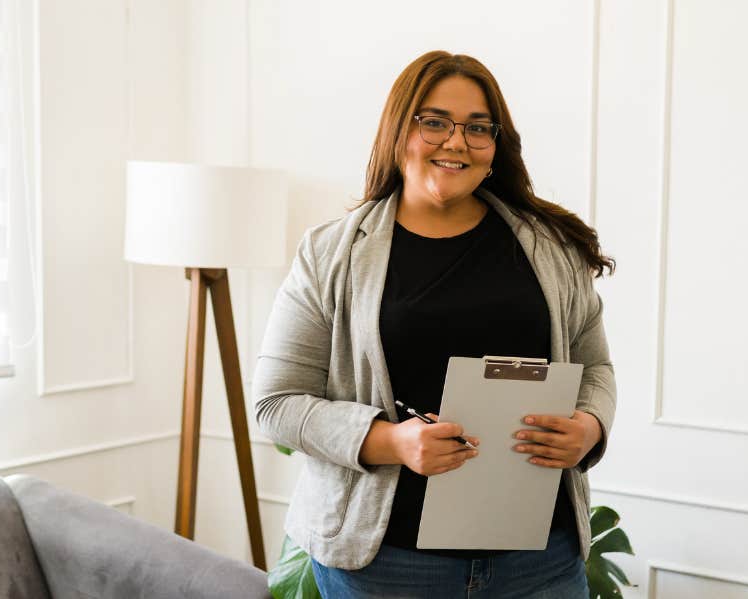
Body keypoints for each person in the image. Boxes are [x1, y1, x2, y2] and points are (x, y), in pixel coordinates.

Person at [253, 50, 617, 599]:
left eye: (477, 128)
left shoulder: (549, 248)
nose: (456, 141)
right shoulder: (330, 254)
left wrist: (589, 427)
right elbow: (276, 404)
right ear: (399, 130)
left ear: (496, 147)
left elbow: (596, 369)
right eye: (435, 121)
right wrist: (392, 441)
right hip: (385, 568)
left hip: (540, 564)